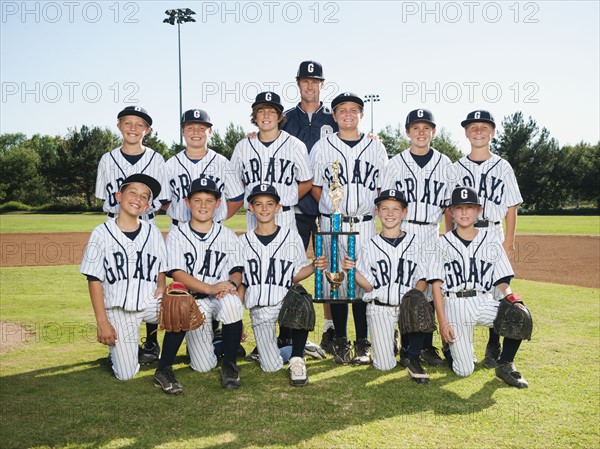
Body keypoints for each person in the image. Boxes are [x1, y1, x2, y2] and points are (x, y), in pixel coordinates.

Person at [310, 92, 389, 365]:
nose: (347, 114)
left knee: (362, 283)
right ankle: (341, 340)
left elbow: (381, 188)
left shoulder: (376, 147)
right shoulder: (322, 147)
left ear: (361, 115)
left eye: (353, 109)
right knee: (337, 283)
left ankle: (363, 342)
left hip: (365, 222)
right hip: (333, 221)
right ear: (334, 116)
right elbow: (316, 188)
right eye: (341, 110)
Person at [429, 186, 529, 388]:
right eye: (459, 208)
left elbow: (502, 278)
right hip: (455, 304)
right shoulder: (441, 244)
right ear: (451, 212)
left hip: (483, 300)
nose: (464, 212)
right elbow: (436, 286)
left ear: (479, 210)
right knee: (464, 370)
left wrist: (510, 298)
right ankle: (451, 348)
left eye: (469, 207)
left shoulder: (491, 240)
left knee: (518, 315)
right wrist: (443, 322)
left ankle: (505, 364)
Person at [154, 177, 244, 394]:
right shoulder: (177, 234)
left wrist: (231, 284)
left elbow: (237, 270)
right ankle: (165, 367)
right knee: (203, 366)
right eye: (197, 200)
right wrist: (211, 288)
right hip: (193, 302)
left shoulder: (228, 235)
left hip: (221, 298)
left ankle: (230, 364)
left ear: (218, 203)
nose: (203, 205)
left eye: (209, 200)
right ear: (187, 203)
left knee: (233, 304)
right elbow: (176, 273)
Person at [94, 106, 168, 364]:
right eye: (128, 123)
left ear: (147, 131)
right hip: (114, 229)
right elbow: (104, 198)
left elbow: (163, 198)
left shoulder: (157, 159)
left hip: (146, 227)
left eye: (140, 125)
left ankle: (151, 342)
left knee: (148, 283)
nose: (133, 128)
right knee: (113, 284)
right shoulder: (107, 159)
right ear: (119, 126)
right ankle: (117, 341)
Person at [380, 109, 453, 368]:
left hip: (431, 231)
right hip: (405, 228)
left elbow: (449, 206)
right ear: (407, 131)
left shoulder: (445, 164)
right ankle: (407, 345)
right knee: (407, 289)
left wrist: (450, 237)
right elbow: (386, 203)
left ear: (434, 132)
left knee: (432, 291)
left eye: (426, 128)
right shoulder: (395, 163)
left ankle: (425, 346)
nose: (421, 133)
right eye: (416, 128)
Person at [453, 110, 523, 368]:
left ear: (492, 132)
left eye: (484, 127)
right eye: (473, 128)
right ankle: (461, 345)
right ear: (466, 133)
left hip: (493, 231)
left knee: (496, 290)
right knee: (463, 287)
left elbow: (511, 208)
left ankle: (494, 345)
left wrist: (509, 242)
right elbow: (450, 207)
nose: (479, 132)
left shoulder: (503, 166)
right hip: (463, 233)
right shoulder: (456, 167)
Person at [239, 184, 327, 386]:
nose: (264, 208)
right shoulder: (243, 242)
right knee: (270, 366)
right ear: (250, 208)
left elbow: (294, 275)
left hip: (285, 303)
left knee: (301, 298)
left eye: (269, 204)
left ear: (278, 207)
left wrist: (314, 266)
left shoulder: (291, 237)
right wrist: (237, 316)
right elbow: (241, 282)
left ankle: (297, 357)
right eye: (258, 204)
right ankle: (299, 347)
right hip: (260, 309)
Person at [80, 174, 166, 381]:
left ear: (147, 206)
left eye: (144, 197)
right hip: (119, 309)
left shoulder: (152, 232)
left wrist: (162, 288)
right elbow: (94, 280)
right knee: (125, 375)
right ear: (119, 196)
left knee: (181, 310)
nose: (138, 199)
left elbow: (161, 267)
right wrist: (102, 322)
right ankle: (118, 352)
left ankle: (164, 361)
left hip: (148, 303)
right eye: (133, 193)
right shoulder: (101, 233)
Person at [341, 190, 431, 383]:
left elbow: (423, 277)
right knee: (383, 365)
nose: (390, 213)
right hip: (380, 307)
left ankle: (413, 357)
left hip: (408, 306)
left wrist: (415, 298)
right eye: (385, 209)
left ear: (404, 212)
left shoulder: (417, 243)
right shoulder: (369, 246)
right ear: (377, 212)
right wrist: (352, 270)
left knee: (419, 303)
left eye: (395, 209)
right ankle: (392, 337)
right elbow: (368, 285)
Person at [282, 60, 339, 354]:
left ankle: (331, 329)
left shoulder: (335, 117)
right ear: (298, 83)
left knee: (332, 268)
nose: (310, 86)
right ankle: (287, 330)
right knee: (291, 267)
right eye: (305, 81)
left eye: (315, 81)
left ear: (322, 84)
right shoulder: (285, 118)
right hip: (298, 207)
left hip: (330, 206)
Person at [229, 92, 313, 232]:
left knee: (287, 253)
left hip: (284, 216)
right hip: (253, 217)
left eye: (272, 111)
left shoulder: (295, 145)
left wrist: (288, 199)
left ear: (280, 117)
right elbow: (233, 183)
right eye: (261, 111)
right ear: (255, 117)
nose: (266, 115)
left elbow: (307, 181)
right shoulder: (243, 146)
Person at [164, 109, 243, 228]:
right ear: (183, 132)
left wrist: (219, 217)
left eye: (201, 128)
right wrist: (177, 212)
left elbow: (238, 197)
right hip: (179, 229)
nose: (196, 132)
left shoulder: (223, 163)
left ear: (210, 131)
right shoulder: (170, 165)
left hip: (213, 230)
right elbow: (163, 200)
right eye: (190, 128)